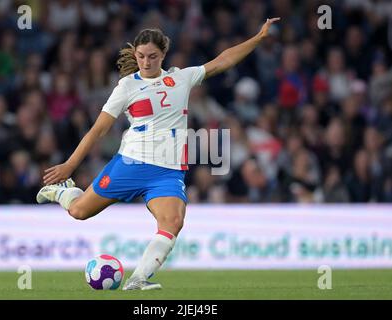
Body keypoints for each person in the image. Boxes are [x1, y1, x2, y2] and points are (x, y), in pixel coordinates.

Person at [36, 18, 280, 290]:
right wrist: (70, 165)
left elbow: (223, 60)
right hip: (130, 164)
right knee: (79, 212)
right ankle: (61, 192)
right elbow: (97, 131)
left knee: (173, 221)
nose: (146, 61)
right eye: (141, 56)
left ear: (163, 54)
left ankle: (139, 278)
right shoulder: (127, 87)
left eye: (152, 56)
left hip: (167, 171)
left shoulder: (181, 78)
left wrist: (258, 38)